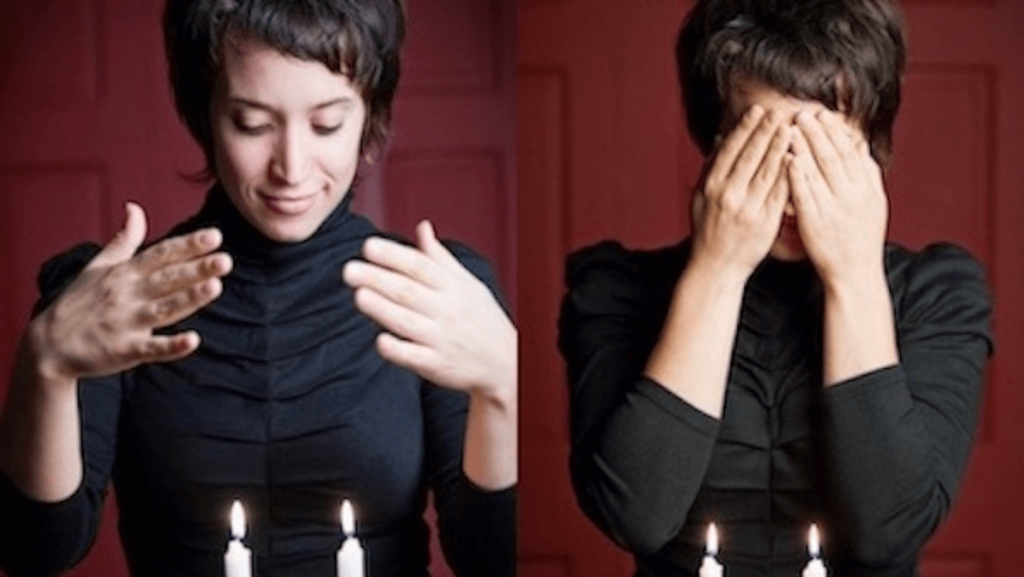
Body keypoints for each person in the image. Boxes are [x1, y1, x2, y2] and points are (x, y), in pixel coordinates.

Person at [0, 1, 516, 576]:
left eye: (327, 124)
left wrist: (502, 389)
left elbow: (487, 557)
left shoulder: (436, 294)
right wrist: (44, 369)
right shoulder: (115, 301)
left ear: (369, 114)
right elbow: (35, 552)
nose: (291, 169)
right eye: (252, 123)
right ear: (205, 114)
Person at [558, 0, 993, 575]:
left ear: (872, 149)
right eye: (764, 146)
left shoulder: (939, 293)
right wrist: (717, 270)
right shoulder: (614, 289)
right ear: (716, 143)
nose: (794, 185)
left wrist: (854, 276)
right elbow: (633, 515)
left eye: (822, 151)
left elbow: (891, 531)